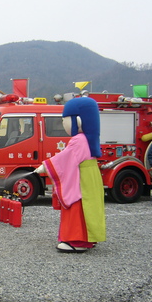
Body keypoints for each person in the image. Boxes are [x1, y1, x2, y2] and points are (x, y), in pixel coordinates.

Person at [35, 96, 106, 252]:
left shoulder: (78, 140)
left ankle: (77, 240)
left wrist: (45, 167)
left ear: (78, 120)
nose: (63, 124)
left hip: (81, 180)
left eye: (64, 120)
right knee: (89, 207)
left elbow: (65, 158)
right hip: (89, 177)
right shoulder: (88, 139)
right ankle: (89, 238)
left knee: (76, 205)